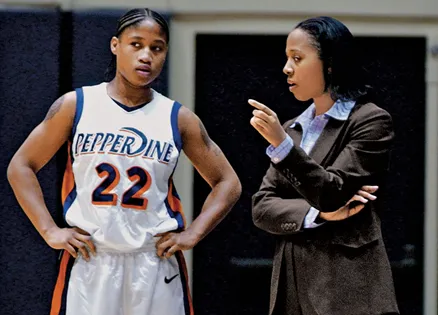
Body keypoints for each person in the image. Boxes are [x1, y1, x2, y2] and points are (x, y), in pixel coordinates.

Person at [7, 8, 241, 315]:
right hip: (92, 259)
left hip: (154, 262)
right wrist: (50, 231)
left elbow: (228, 182)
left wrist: (194, 233)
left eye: (156, 48)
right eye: (136, 44)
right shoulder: (76, 105)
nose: (146, 55)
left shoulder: (178, 117)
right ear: (115, 45)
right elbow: (21, 165)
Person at [249, 16, 399, 315]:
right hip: (292, 288)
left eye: (297, 58)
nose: (286, 68)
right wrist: (319, 214)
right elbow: (262, 207)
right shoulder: (293, 127)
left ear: (329, 64)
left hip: (347, 289)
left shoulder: (370, 120)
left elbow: (333, 192)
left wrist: (282, 146)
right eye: (287, 58)